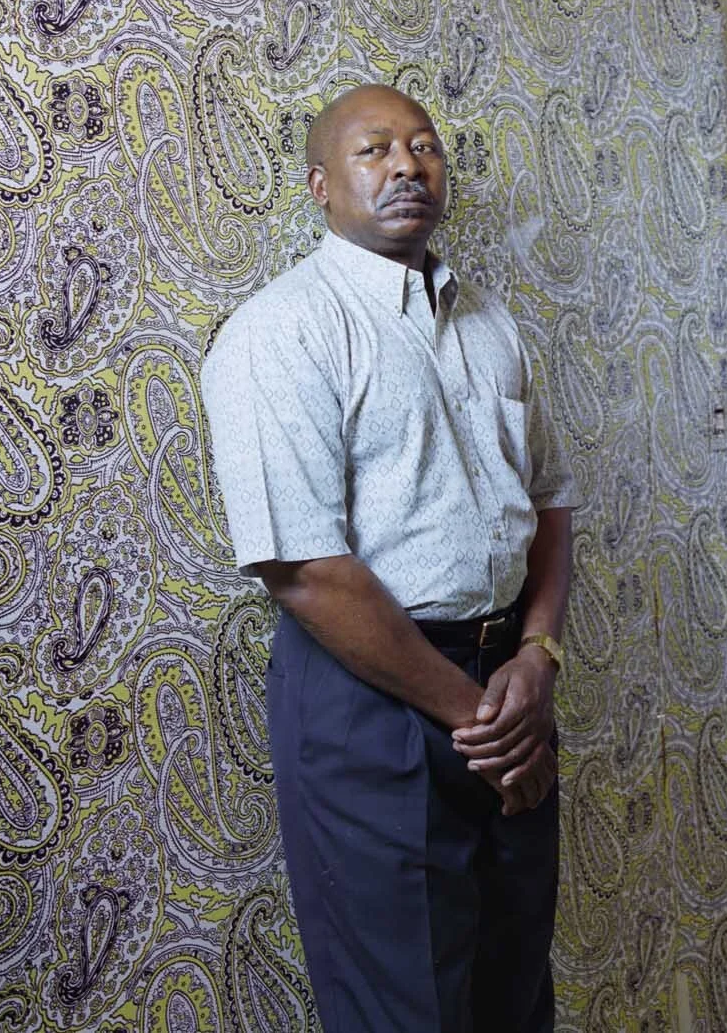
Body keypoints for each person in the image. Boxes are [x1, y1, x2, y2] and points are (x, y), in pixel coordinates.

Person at [200, 82, 578, 1033]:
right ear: (321, 186)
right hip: (371, 703)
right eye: (374, 150)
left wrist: (538, 657)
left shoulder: (490, 323)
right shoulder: (282, 330)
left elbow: (548, 503)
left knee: (516, 991)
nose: (407, 165)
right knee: (406, 1008)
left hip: (511, 685)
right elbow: (304, 571)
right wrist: (482, 726)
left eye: (424, 146)